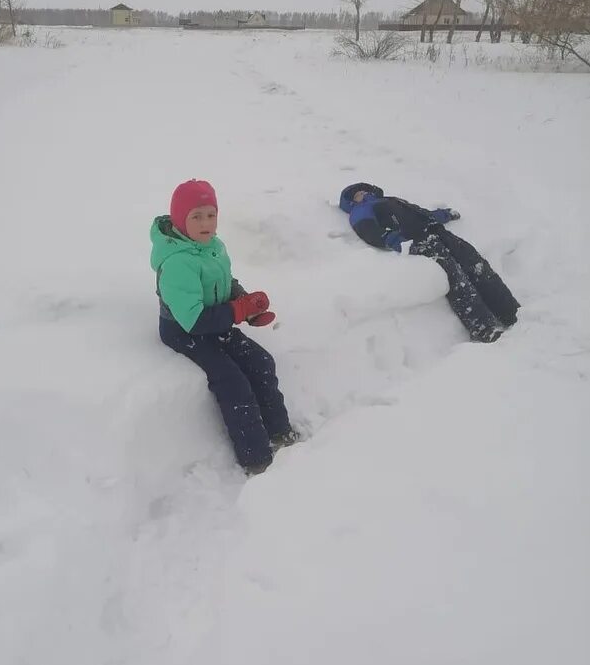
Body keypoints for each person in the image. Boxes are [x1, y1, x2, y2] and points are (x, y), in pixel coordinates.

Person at [150, 179, 298, 475]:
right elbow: (193, 320)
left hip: (214, 319)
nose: (206, 223)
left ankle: (280, 433)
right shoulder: (177, 262)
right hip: (185, 331)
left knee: (261, 362)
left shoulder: (213, 246)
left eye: (211, 215)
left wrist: (245, 303)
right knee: (232, 381)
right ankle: (255, 458)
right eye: (196, 216)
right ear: (181, 220)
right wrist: (237, 311)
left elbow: (224, 282)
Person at [339, 182, 520, 343]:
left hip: (436, 232)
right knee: (456, 278)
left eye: (362, 190)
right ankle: (484, 328)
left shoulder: (390, 200)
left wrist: (443, 215)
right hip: (419, 241)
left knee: (476, 265)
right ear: (351, 201)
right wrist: (394, 240)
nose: (361, 193)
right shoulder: (360, 211)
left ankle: (511, 312)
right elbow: (368, 231)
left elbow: (421, 214)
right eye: (356, 194)